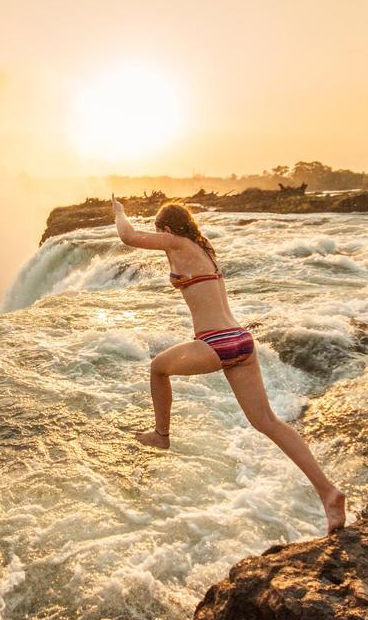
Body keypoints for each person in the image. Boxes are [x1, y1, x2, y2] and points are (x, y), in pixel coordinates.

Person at [111, 195, 346, 534]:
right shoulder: (204, 249)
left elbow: (127, 236)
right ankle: (328, 492)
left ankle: (161, 435)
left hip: (215, 342)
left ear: (166, 228)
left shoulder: (176, 243)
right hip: (241, 341)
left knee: (157, 368)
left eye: (159, 231)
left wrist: (119, 213)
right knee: (268, 422)